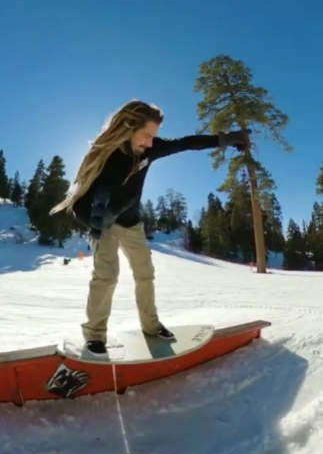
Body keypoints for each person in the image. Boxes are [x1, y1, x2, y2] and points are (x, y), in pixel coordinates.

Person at [50, 100, 249, 356]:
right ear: (129, 128)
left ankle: (151, 326)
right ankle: (95, 336)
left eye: (153, 136)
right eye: (146, 135)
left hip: (132, 223)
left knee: (145, 273)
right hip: (106, 225)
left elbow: (186, 143)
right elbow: (78, 201)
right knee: (106, 275)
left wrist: (227, 139)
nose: (150, 142)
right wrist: (93, 220)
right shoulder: (104, 155)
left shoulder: (149, 151)